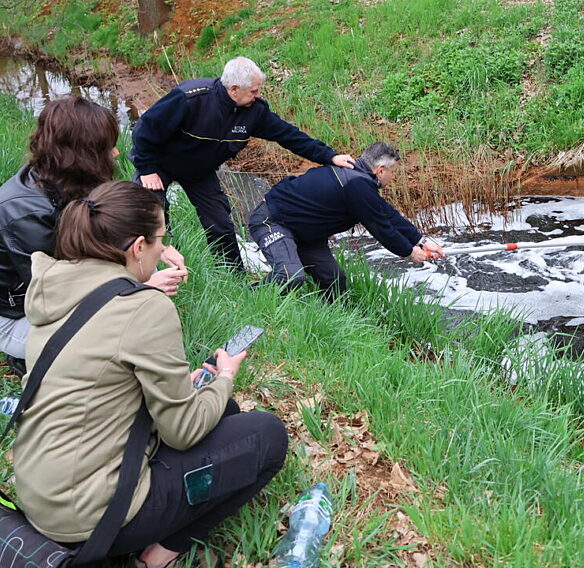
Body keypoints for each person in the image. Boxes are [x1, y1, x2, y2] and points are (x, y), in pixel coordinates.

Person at [13, 181, 288, 568]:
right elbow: (183, 430)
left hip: (39, 490)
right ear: (138, 247)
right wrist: (225, 375)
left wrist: (186, 388)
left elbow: (99, 383)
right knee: (267, 435)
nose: (164, 250)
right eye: (161, 239)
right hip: (89, 517)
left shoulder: (56, 288)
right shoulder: (143, 307)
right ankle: (155, 557)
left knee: (222, 412)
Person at [0, 97, 186, 376]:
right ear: (82, 153)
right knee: (121, 330)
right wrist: (136, 288)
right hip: (19, 315)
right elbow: (56, 295)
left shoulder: (70, 178)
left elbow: (111, 231)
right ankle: (29, 357)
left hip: (52, 295)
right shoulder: (23, 213)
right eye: (106, 147)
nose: (115, 154)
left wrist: (156, 244)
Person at [130, 56, 356, 272]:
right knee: (152, 218)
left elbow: (289, 135)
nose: (258, 96)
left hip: (199, 171)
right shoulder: (190, 98)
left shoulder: (254, 111)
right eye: (254, 91)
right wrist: (147, 169)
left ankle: (232, 277)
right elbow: (144, 130)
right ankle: (152, 273)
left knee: (221, 225)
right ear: (234, 89)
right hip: (158, 164)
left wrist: (330, 156)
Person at [248, 141, 444, 300]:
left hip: (305, 233)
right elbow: (380, 227)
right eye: (393, 173)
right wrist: (409, 252)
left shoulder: (358, 180)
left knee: (334, 280)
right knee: (290, 276)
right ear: (380, 170)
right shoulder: (357, 184)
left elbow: (388, 214)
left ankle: (326, 325)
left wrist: (421, 241)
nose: (393, 178)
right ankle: (249, 297)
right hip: (272, 221)